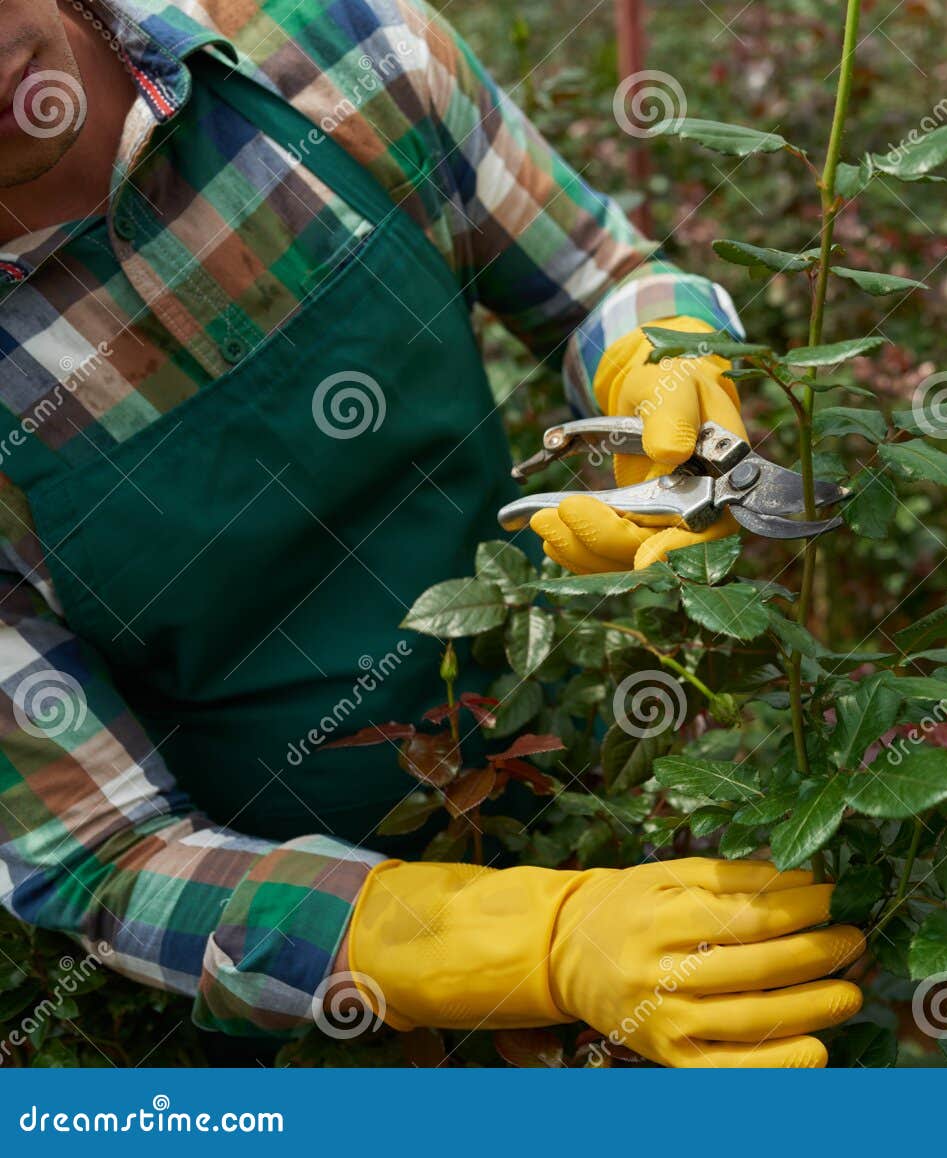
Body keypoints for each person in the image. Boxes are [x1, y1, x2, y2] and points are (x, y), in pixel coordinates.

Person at [0, 0, 863, 1067]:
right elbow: (100, 857)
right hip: (322, 996)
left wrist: (660, 368)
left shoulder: (335, 48)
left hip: (601, 768)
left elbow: (600, 278)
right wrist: (517, 946)